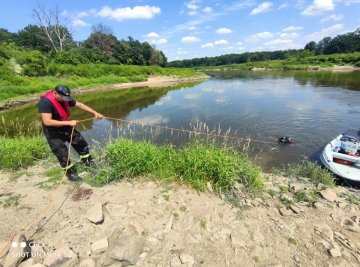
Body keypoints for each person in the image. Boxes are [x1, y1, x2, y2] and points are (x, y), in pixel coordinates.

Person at [38, 85, 103, 181]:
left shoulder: (65, 98)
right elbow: (47, 121)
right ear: (55, 93)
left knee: (80, 142)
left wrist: (95, 112)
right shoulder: (45, 102)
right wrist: (69, 122)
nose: (65, 100)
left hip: (65, 126)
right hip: (52, 131)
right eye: (63, 98)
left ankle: (87, 162)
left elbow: (80, 105)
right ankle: (70, 173)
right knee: (62, 152)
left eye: (66, 98)